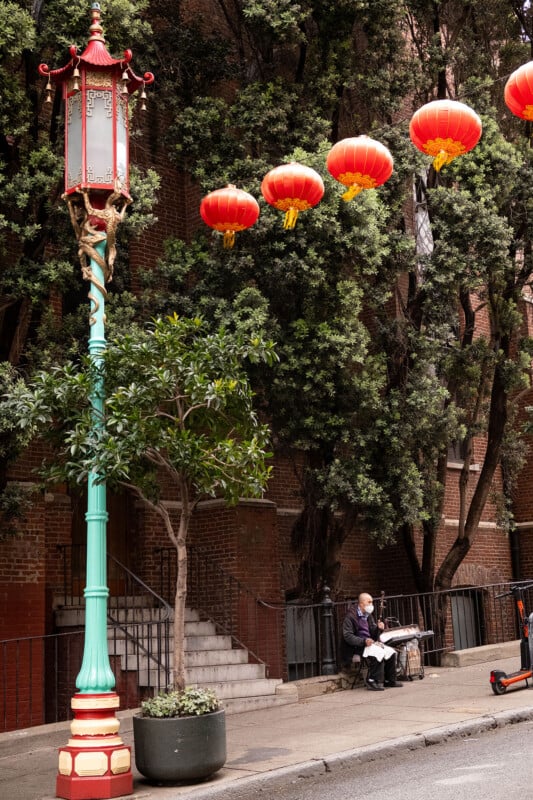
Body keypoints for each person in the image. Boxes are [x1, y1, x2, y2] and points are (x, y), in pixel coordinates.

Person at [340, 592, 403, 691]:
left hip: (369, 643)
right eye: (369, 602)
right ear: (361, 604)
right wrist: (363, 641)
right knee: (378, 652)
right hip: (357, 646)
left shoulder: (368, 615)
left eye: (372, 602)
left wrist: (379, 628)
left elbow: (373, 633)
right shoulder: (350, 617)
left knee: (390, 651)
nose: (371, 605)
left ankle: (389, 680)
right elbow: (348, 636)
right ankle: (372, 680)